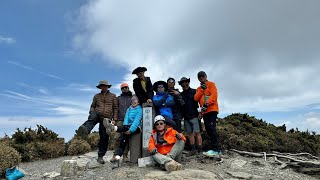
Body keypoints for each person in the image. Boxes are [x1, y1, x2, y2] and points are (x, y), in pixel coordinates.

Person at [76, 80, 118, 164]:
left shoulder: (113, 96)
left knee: (104, 137)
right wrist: (92, 112)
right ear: (100, 87)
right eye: (102, 86)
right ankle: (85, 130)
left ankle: (100, 156)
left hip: (106, 118)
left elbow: (115, 108)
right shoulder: (96, 96)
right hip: (97, 114)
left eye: (105, 85)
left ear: (107, 86)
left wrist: (114, 119)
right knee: (93, 117)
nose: (103, 87)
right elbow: (92, 106)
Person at [104, 95, 142, 165]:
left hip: (136, 128)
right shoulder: (129, 109)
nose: (133, 101)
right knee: (122, 142)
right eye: (132, 100)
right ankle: (117, 157)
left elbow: (137, 120)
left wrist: (130, 130)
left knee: (124, 130)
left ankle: (113, 128)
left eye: (135, 100)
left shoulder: (139, 109)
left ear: (138, 101)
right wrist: (125, 129)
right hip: (127, 128)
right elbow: (126, 120)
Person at [194, 71, 220, 156]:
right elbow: (196, 98)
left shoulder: (211, 84)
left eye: (202, 76)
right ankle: (214, 149)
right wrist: (202, 89)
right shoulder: (198, 88)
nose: (201, 78)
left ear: (205, 76)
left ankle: (216, 150)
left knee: (211, 128)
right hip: (204, 112)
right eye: (199, 77)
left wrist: (207, 103)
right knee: (208, 129)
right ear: (198, 79)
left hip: (212, 110)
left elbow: (214, 95)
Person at [179, 77, 203, 156]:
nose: (184, 84)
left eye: (186, 82)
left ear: (188, 83)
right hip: (186, 117)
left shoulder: (194, 91)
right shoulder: (181, 94)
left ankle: (200, 150)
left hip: (195, 115)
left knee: (198, 133)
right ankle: (193, 150)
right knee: (190, 133)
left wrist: (200, 112)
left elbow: (200, 102)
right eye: (182, 83)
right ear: (181, 84)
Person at [110, 82, 132, 162]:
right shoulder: (118, 98)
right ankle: (115, 155)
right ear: (121, 89)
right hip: (119, 119)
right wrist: (114, 119)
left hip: (129, 121)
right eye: (122, 88)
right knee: (117, 138)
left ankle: (125, 155)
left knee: (126, 138)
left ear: (128, 88)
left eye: (126, 87)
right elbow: (115, 109)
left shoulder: (132, 98)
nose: (124, 89)